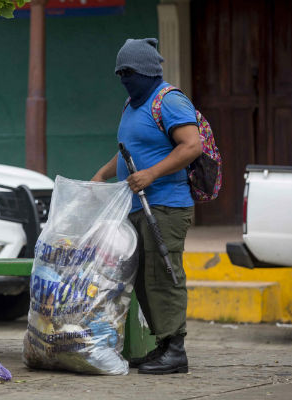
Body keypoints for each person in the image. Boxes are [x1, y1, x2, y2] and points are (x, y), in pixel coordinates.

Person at [91, 38, 202, 375]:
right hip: (136, 206)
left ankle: (176, 349)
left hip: (165, 206)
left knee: (163, 276)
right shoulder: (132, 104)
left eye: (130, 72)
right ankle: (162, 345)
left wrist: (152, 174)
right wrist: (102, 175)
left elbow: (191, 145)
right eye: (120, 72)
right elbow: (129, 150)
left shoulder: (168, 100)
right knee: (142, 280)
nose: (125, 78)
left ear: (148, 71)